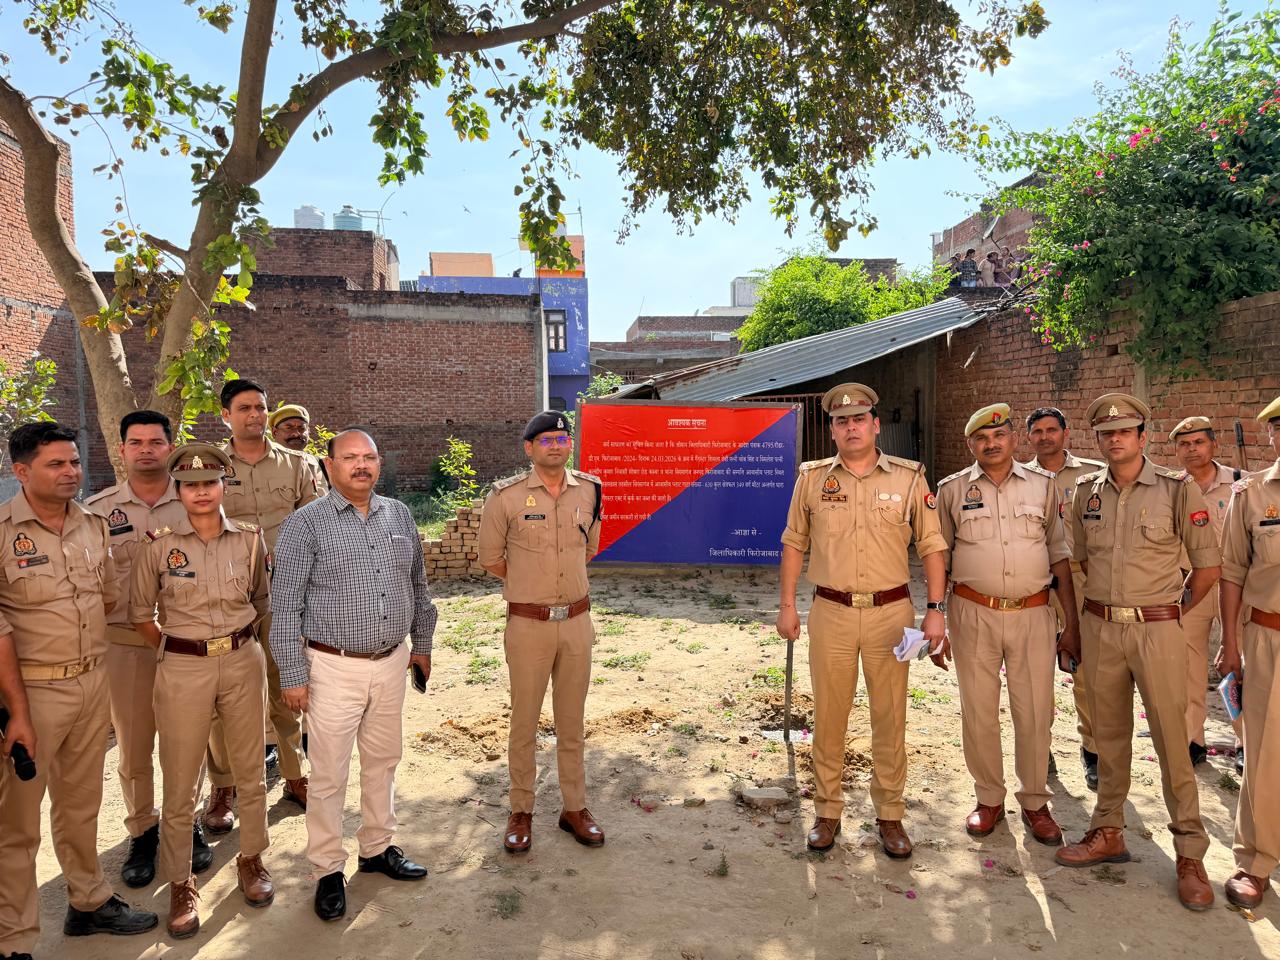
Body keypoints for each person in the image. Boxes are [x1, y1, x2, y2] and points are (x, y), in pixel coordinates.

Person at [1056, 393, 1219, 911]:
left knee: (1173, 740)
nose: (1115, 439)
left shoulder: (1177, 489)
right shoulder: (1086, 493)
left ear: (1143, 437)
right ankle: (1108, 831)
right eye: (1106, 433)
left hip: (1157, 631)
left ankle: (1189, 853)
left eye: (1124, 431)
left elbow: (1208, 567)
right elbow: (1081, 562)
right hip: (1102, 627)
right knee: (1108, 737)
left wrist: (1172, 611)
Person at [0, 422, 158, 957]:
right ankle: (14, 940)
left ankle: (88, 902)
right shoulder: (2, 531)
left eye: (74, 461)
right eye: (56, 464)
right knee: (17, 825)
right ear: (21, 471)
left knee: (81, 805)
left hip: (93, 682)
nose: (71, 472)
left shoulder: (93, 523)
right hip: (32, 695)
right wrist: (17, 712)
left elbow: (107, 597)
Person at [270, 429, 436, 922]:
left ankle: (377, 847)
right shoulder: (304, 524)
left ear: (379, 463)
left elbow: (418, 585)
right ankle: (326, 869)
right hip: (330, 668)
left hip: (390, 661)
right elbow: (285, 607)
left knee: (383, 760)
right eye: (349, 458)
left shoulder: (399, 515)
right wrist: (292, 674)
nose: (361, 466)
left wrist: (422, 645)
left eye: (368, 457)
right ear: (329, 465)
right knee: (328, 774)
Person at [776, 384, 947, 858]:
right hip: (830, 612)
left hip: (891, 614)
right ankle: (827, 811)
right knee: (829, 715)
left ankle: (890, 815)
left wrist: (936, 610)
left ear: (875, 425)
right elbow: (793, 542)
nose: (850, 427)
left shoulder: (910, 478)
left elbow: (932, 545)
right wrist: (787, 605)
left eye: (859, 419)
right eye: (841, 421)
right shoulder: (811, 479)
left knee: (890, 718)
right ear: (832, 429)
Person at [129, 444, 274, 939]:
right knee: (181, 777)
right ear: (178, 491)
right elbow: (140, 614)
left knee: (250, 768)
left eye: (210, 482)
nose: (201, 492)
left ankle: (252, 859)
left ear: (223, 485)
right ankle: (181, 882)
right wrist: (177, 649)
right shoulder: (159, 545)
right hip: (183, 667)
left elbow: (260, 600)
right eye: (190, 485)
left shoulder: (249, 540)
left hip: (241, 660)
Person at [936, 404, 1077, 845]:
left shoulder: (1043, 485)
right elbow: (938, 557)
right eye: (981, 438)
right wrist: (936, 613)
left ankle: (1035, 801)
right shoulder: (951, 490)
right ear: (970, 445)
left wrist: (1070, 624)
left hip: (1033, 612)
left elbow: (1059, 554)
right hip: (972, 611)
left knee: (1034, 710)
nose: (991, 443)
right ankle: (988, 799)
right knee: (979, 710)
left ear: (1015, 439)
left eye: (999, 435)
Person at [85, 411, 211, 888]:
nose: (145, 450)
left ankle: (188, 822)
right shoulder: (97, 511)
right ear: (122, 449)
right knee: (135, 747)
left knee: (187, 742)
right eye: (135, 442)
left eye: (155, 442)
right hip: (127, 647)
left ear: (170, 447)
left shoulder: (196, 502)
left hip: (186, 646)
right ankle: (143, 831)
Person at [477, 411, 605, 855]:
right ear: (529, 448)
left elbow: (590, 547)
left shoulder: (590, 489)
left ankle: (575, 808)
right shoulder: (506, 497)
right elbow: (491, 558)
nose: (555, 445)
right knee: (525, 722)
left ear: (570, 445)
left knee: (572, 722)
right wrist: (529, 583)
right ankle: (521, 810)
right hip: (528, 625)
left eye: (562, 439)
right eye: (545, 440)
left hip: (577, 624)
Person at [204, 378, 325, 832]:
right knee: (223, 694)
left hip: (282, 594)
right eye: (244, 408)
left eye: (260, 407)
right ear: (226, 416)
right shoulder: (211, 466)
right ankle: (224, 787)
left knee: (286, 685)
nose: (254, 415)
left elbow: (317, 525)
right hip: (226, 596)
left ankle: (294, 775)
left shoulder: (297, 464)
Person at [1216, 394, 1280, 908]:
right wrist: (1230, 643)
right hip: (1269, 638)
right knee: (1264, 753)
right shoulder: (1252, 495)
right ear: (1271, 434)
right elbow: (1233, 573)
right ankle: (1256, 860)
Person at [1025, 408, 1104, 788]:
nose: (1045, 437)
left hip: (1082, 578)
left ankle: (1093, 750)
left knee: (1087, 668)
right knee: (1035, 670)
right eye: (1037, 431)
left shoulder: (1093, 475)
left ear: (1065, 433)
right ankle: (1041, 749)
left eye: (1051, 430)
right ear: (1028, 438)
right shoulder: (1019, 478)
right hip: (1037, 581)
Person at [1170, 416, 1244, 767]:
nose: (1192, 449)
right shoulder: (1172, 489)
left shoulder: (1241, 484)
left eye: (1199, 442)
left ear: (1214, 444)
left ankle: (1245, 741)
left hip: (1235, 586)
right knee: (1188, 667)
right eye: (1184, 444)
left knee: (1240, 664)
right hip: (1192, 584)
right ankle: (1192, 741)